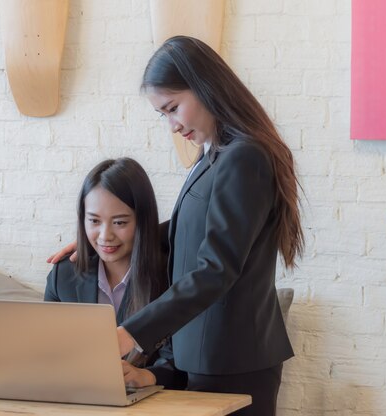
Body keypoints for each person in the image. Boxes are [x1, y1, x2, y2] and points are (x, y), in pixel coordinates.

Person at [49, 36, 304, 416]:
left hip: (232, 360)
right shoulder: (214, 157)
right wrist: (104, 238)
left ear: (205, 88)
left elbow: (217, 268)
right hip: (207, 356)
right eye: (162, 114)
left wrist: (131, 331)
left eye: (173, 108)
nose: (172, 126)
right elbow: (189, 227)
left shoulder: (243, 157)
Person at [44, 157, 186, 390]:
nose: (104, 236)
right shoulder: (64, 276)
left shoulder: (171, 276)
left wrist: (148, 376)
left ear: (143, 220)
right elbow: (47, 351)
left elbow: (180, 363)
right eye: (94, 221)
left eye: (119, 222)